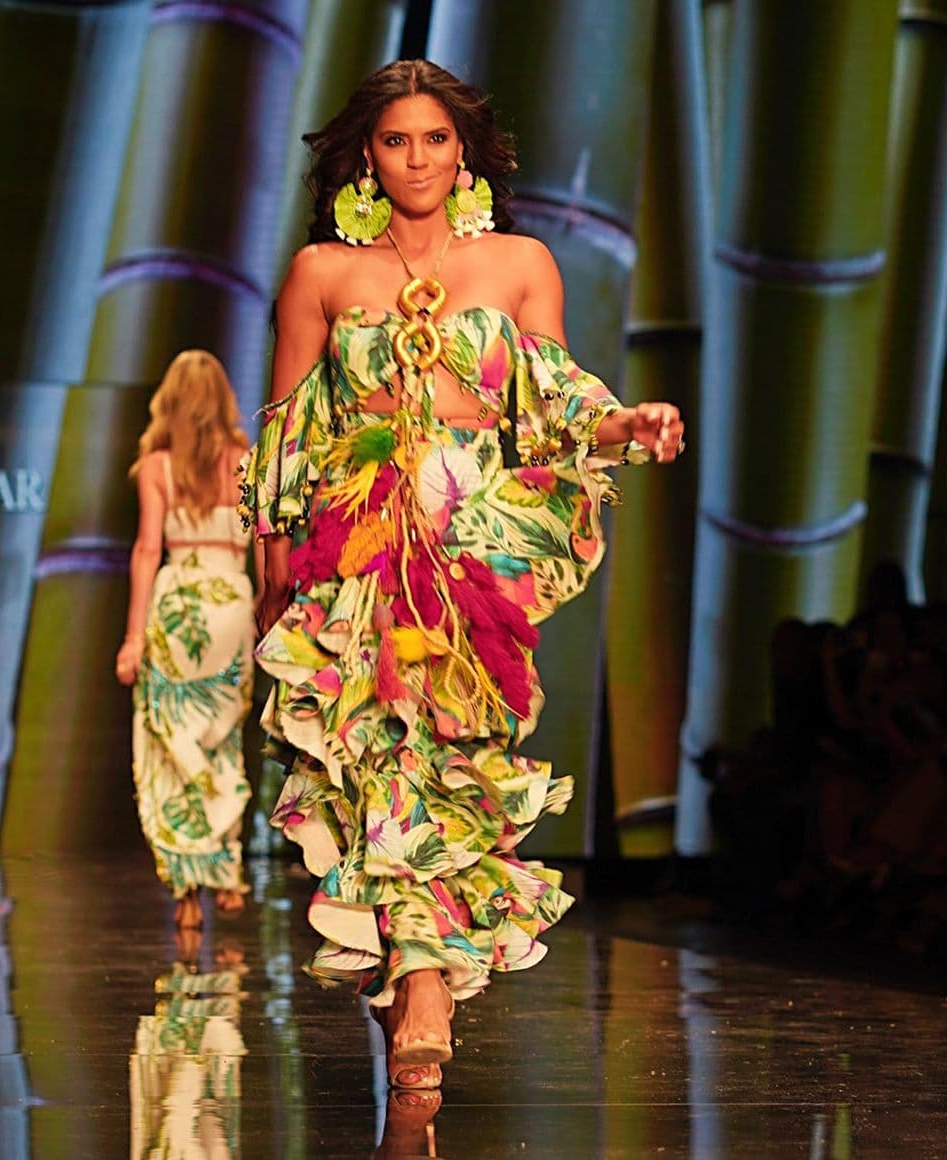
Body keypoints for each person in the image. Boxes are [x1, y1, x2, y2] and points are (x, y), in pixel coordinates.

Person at [242, 59, 685, 1091]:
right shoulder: (321, 274)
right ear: (367, 153)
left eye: (436, 139)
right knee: (373, 768)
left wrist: (630, 421)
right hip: (356, 555)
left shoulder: (524, 262)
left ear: (466, 149)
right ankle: (425, 985)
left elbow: (557, 402)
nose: (418, 159)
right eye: (397, 141)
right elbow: (286, 447)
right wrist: (275, 580)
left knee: (452, 768)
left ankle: (420, 977)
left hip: (474, 551)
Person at [116, 350, 259, 929]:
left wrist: (132, 638)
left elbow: (149, 549)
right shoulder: (245, 462)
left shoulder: (157, 466)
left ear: (170, 400)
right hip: (231, 600)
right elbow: (263, 541)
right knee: (220, 737)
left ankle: (185, 888)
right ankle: (226, 875)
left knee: (174, 744)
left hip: (179, 604)